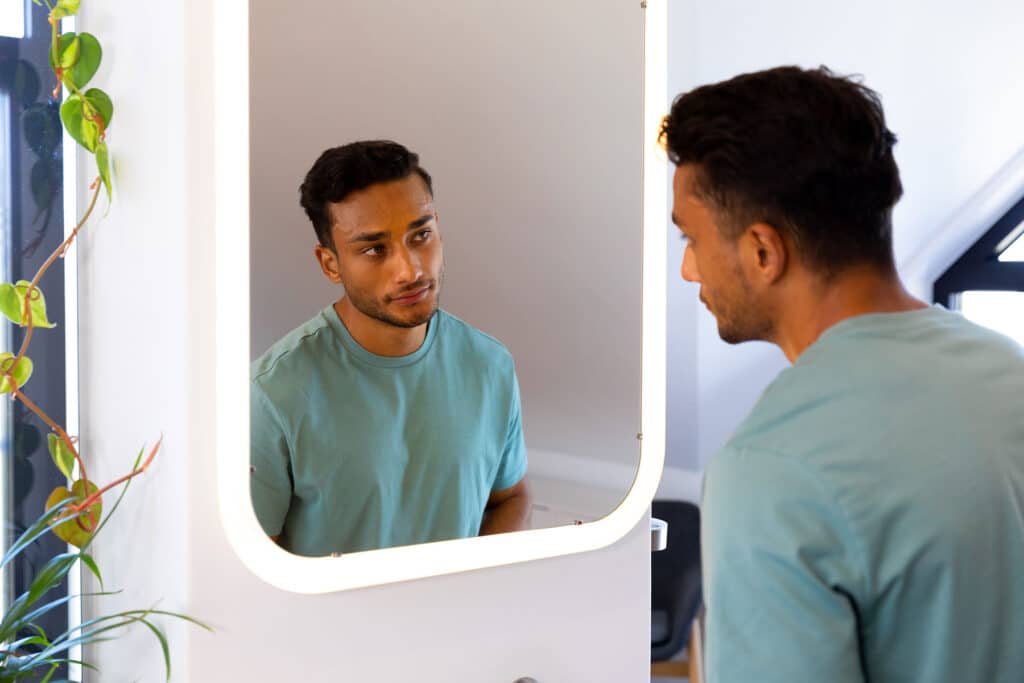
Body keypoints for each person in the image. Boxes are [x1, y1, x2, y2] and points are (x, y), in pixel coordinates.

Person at [660, 66, 1024, 682]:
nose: (689, 271)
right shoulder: (1010, 369)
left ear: (762, 252)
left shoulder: (769, 469)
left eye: (691, 240)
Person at [250, 140, 530, 557]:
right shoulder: (273, 392)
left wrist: (472, 592)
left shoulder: (490, 365)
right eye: (374, 249)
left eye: (421, 235)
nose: (410, 270)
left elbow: (511, 498)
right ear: (330, 264)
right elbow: (254, 567)